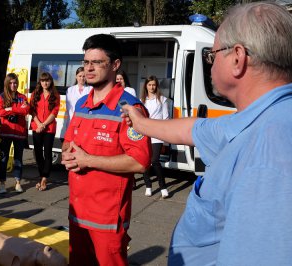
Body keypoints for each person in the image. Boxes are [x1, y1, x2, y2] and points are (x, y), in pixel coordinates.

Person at [121, 2, 292, 265]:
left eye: (212, 56)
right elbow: (193, 128)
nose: (210, 65)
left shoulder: (271, 155)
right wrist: (139, 122)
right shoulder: (261, 117)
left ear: (237, 58)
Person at [61, 34, 152, 265]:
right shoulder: (82, 104)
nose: (88, 69)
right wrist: (67, 154)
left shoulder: (129, 109)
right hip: (77, 215)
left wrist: (88, 160)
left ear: (115, 65)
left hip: (107, 222)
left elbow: (139, 162)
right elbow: (68, 141)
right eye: (85, 62)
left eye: (96, 62)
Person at [0, 73, 30, 194]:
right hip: (6, 132)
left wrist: (11, 109)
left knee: (18, 159)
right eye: (10, 82)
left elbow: (26, 110)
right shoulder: (1, 97)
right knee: (4, 158)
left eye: (15, 82)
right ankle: (2, 183)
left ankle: (17, 183)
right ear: (7, 83)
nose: (13, 85)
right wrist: (18, 110)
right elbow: (1, 112)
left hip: (19, 133)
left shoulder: (22, 97)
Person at [29, 72, 60, 191]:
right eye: (42, 81)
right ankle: (42, 175)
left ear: (51, 81)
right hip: (36, 126)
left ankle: (44, 179)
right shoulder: (35, 94)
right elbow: (31, 110)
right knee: (37, 153)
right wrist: (38, 124)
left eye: (47, 80)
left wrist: (44, 124)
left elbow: (54, 112)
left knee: (47, 153)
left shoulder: (55, 95)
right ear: (40, 82)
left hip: (49, 128)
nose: (45, 83)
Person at [140, 75, 169, 198]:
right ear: (146, 86)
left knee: (154, 160)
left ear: (156, 86)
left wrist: (164, 133)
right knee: (145, 161)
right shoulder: (142, 101)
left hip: (157, 133)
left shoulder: (162, 99)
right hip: (145, 133)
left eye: (153, 85)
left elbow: (166, 118)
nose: (151, 87)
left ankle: (163, 187)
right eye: (149, 85)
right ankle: (148, 186)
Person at [63, 67, 92, 133]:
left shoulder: (90, 89)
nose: (82, 78)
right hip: (72, 119)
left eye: (84, 76)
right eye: (80, 76)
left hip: (85, 120)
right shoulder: (70, 90)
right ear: (76, 76)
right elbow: (69, 107)